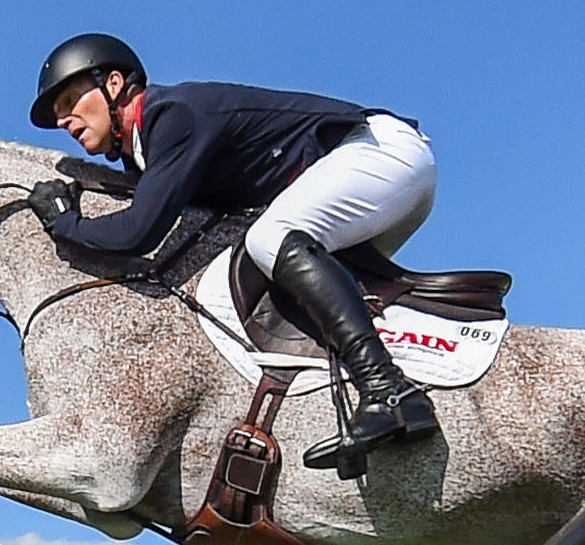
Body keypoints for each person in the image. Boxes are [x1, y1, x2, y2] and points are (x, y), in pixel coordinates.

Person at [24, 33, 440, 475]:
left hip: (380, 152)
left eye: (70, 100)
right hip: (381, 170)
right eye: (58, 116)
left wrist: (65, 224)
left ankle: (388, 392)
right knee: (291, 293)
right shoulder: (150, 149)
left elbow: (136, 235)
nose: (66, 120)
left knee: (270, 238)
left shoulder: (173, 116)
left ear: (113, 84)